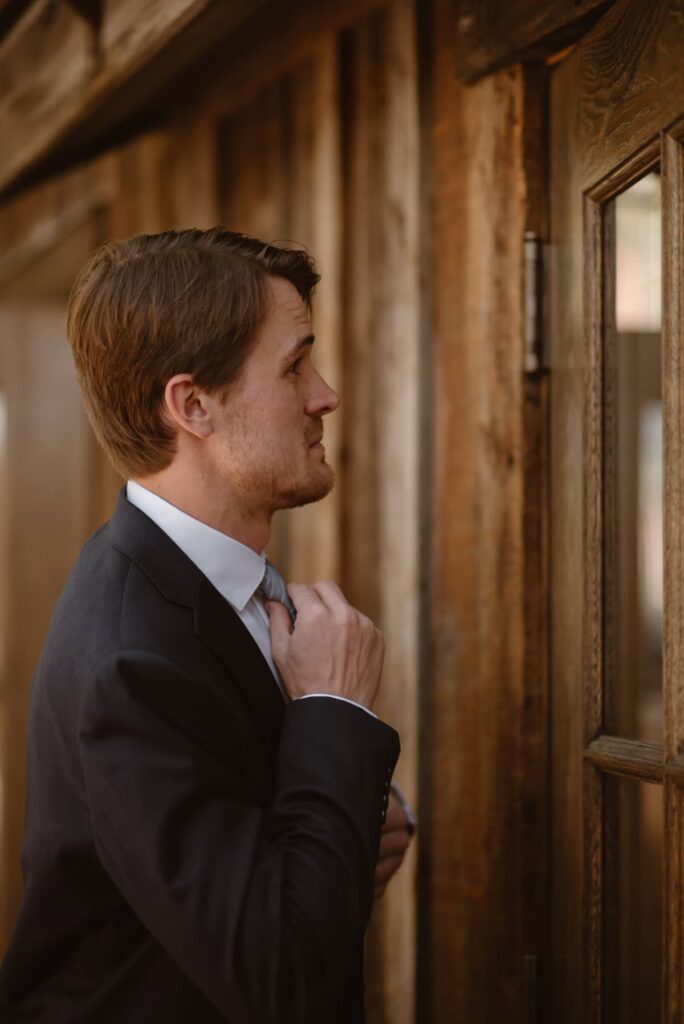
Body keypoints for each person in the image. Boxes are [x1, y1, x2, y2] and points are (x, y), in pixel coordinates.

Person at [0, 228, 414, 1023]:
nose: (325, 393)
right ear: (193, 405)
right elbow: (279, 977)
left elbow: (254, 864)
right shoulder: (132, 656)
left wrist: (353, 819)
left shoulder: (205, 588)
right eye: (294, 366)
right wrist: (336, 718)